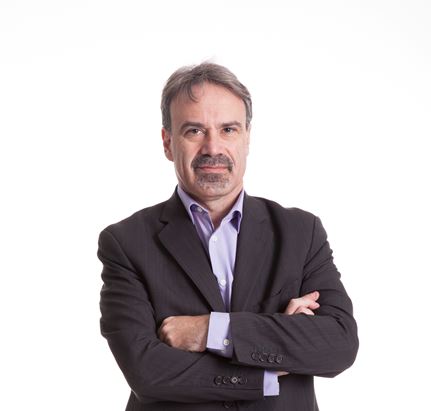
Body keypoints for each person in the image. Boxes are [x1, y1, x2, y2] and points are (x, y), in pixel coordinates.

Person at [98, 62, 359, 411]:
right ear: (168, 143)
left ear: (247, 138)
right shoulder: (126, 243)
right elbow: (147, 372)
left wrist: (210, 331)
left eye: (228, 129)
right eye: (194, 130)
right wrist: (270, 364)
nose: (213, 147)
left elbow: (339, 345)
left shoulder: (301, 232)